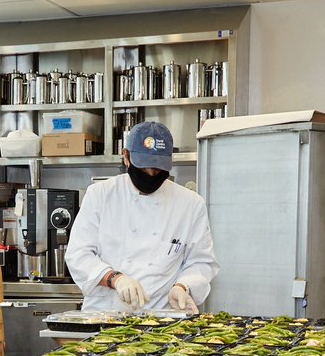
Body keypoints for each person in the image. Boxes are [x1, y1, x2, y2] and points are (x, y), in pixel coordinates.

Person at [65, 121, 218, 313]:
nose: (151, 174)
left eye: (158, 168)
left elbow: (201, 262)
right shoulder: (100, 195)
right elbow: (78, 254)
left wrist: (183, 287)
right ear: (126, 156)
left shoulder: (191, 204)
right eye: (144, 167)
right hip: (104, 314)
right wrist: (115, 279)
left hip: (163, 316)